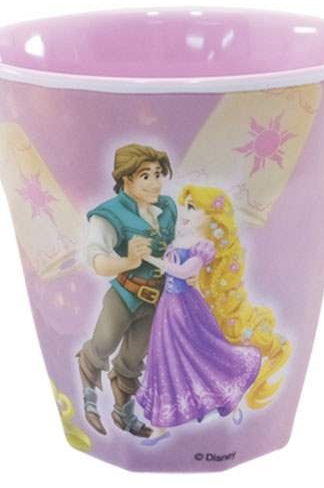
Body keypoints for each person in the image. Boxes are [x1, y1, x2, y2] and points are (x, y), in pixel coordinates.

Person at [135, 187, 266, 445]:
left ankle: (229, 400)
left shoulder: (203, 246)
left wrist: (152, 259)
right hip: (168, 307)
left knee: (202, 355)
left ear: (210, 216)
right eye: (185, 206)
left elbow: (184, 271)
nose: (185, 212)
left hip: (186, 307)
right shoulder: (180, 237)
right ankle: (159, 425)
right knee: (164, 358)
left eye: (193, 208)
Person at [76, 143, 178, 438]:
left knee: (133, 360)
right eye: (145, 176)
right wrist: (127, 262)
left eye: (158, 174)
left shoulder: (167, 208)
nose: (155, 183)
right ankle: (90, 400)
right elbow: (96, 259)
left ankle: (123, 413)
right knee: (103, 344)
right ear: (126, 179)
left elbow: (176, 247)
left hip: (156, 299)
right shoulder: (109, 214)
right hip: (124, 295)